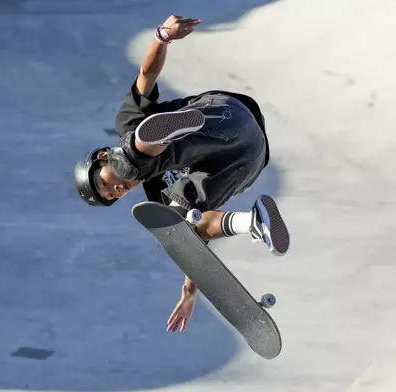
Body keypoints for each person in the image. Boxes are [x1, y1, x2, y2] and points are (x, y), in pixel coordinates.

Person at [73, 15, 289, 333]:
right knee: (181, 222)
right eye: (115, 195)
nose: (118, 189)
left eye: (108, 183)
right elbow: (192, 249)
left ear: (101, 157)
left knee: (135, 155)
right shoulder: (159, 195)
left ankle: (154, 138)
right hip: (248, 159)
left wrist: (162, 36)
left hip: (224, 117)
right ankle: (253, 223)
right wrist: (189, 292)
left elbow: (147, 73)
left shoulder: (127, 121)